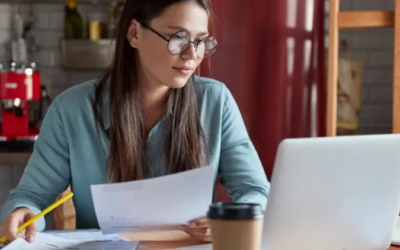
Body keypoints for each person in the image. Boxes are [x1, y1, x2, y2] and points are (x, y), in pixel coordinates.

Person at [0, 0, 270, 244]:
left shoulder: (216, 101)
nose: (193, 55)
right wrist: (24, 212)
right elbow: (32, 197)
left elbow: (255, 190)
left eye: (201, 41)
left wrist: (233, 217)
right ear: (134, 33)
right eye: (178, 38)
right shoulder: (70, 110)